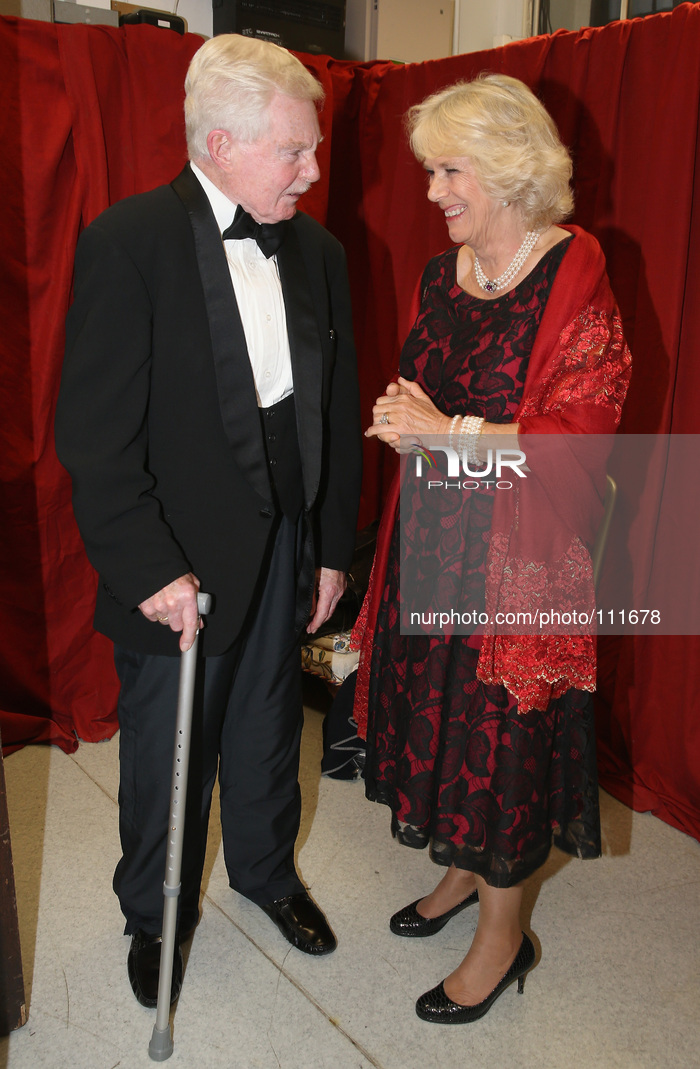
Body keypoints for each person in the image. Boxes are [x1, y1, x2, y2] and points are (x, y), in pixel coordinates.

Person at [55, 34, 361, 1007]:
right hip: (175, 552)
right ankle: (155, 911)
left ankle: (266, 873)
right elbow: (95, 438)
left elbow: (334, 412)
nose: (313, 172)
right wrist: (149, 567)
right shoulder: (127, 240)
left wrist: (327, 549)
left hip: (283, 540)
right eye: (294, 152)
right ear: (221, 142)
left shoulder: (317, 249)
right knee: (165, 750)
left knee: (272, 724)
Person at [356, 74, 631, 1024]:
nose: (433, 191)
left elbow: (587, 433)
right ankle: (464, 872)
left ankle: (504, 935)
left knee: (503, 742)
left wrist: (451, 432)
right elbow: (425, 392)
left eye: (450, 169)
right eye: (431, 168)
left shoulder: (575, 270)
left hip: (522, 559)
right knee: (441, 720)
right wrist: (403, 420)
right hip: (435, 537)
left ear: (512, 172)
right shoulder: (446, 273)